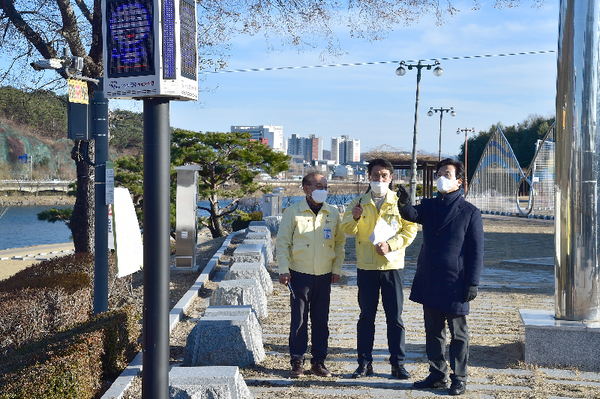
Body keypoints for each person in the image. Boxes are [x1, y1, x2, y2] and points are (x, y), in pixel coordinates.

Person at [397, 158, 484, 396]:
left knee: (458, 334)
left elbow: (476, 252)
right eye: (439, 174)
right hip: (430, 277)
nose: (441, 178)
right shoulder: (430, 205)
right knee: (433, 331)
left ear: (459, 181)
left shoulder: (470, 212)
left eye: (447, 174)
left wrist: (473, 282)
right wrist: (403, 202)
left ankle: (459, 377)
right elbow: (411, 215)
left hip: (456, 280)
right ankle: (437, 374)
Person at [341, 159, 418, 380]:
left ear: (391, 178)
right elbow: (346, 228)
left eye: (384, 175)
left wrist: (391, 245)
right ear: (368, 177)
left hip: (392, 266)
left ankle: (398, 364)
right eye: (376, 175)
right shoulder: (358, 202)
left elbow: (410, 230)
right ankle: (364, 364)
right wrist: (355, 217)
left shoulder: (400, 202)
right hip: (366, 266)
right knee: (366, 317)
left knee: (395, 317)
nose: (380, 179)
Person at [276, 171, 346, 378]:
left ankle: (318, 361)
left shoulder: (332, 213)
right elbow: (283, 243)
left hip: (324, 274)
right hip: (299, 274)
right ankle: (297, 361)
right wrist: (283, 269)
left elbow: (340, 243)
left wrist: (337, 269)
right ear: (306, 189)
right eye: (318, 186)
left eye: (325, 186)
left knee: (321, 320)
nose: (323, 190)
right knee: (298, 320)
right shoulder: (293, 212)